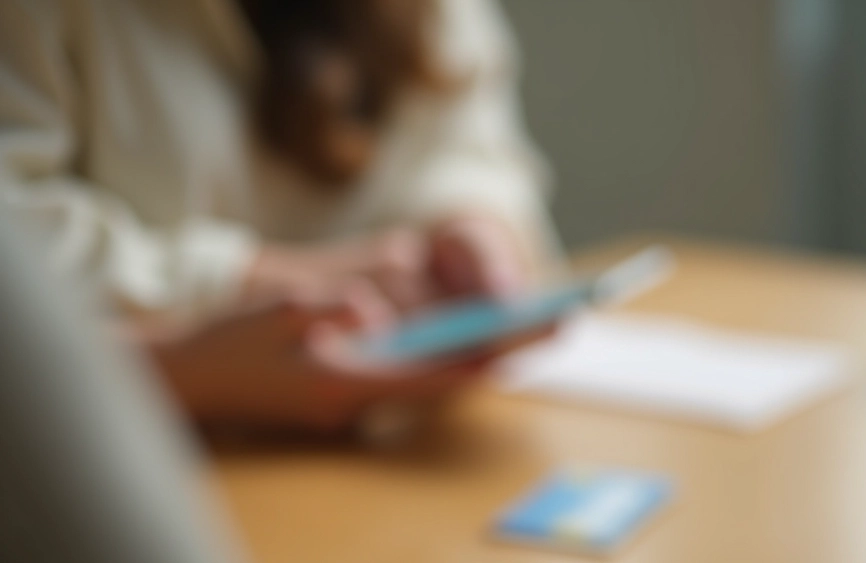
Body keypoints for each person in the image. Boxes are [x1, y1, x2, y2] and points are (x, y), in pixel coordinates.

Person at [0, 0, 561, 430]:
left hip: (384, 453)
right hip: (141, 459)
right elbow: (16, 239)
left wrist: (473, 227)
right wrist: (245, 288)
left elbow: (474, 148)